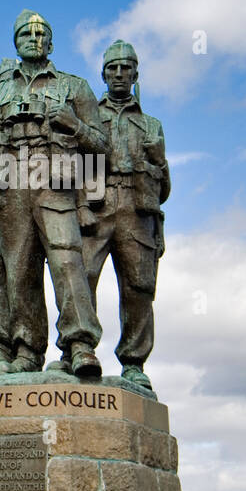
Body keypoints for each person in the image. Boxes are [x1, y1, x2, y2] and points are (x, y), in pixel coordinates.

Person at [0, 10, 107, 377]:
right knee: (18, 269)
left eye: (40, 34)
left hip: (54, 179)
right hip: (12, 181)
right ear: (16, 42)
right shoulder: (4, 87)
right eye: (25, 35)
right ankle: (27, 350)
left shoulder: (75, 86)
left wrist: (91, 202)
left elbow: (99, 147)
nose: (33, 39)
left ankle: (80, 345)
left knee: (66, 261)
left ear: (51, 42)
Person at [81, 40, 170, 391]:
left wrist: (159, 158)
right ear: (103, 74)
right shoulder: (91, 115)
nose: (119, 74)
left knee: (138, 287)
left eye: (125, 68)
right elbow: (79, 163)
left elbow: (165, 187)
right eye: (112, 68)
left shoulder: (151, 125)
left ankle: (134, 362)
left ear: (135, 74)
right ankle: (81, 347)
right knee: (81, 276)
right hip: (97, 205)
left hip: (137, 208)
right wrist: (83, 205)